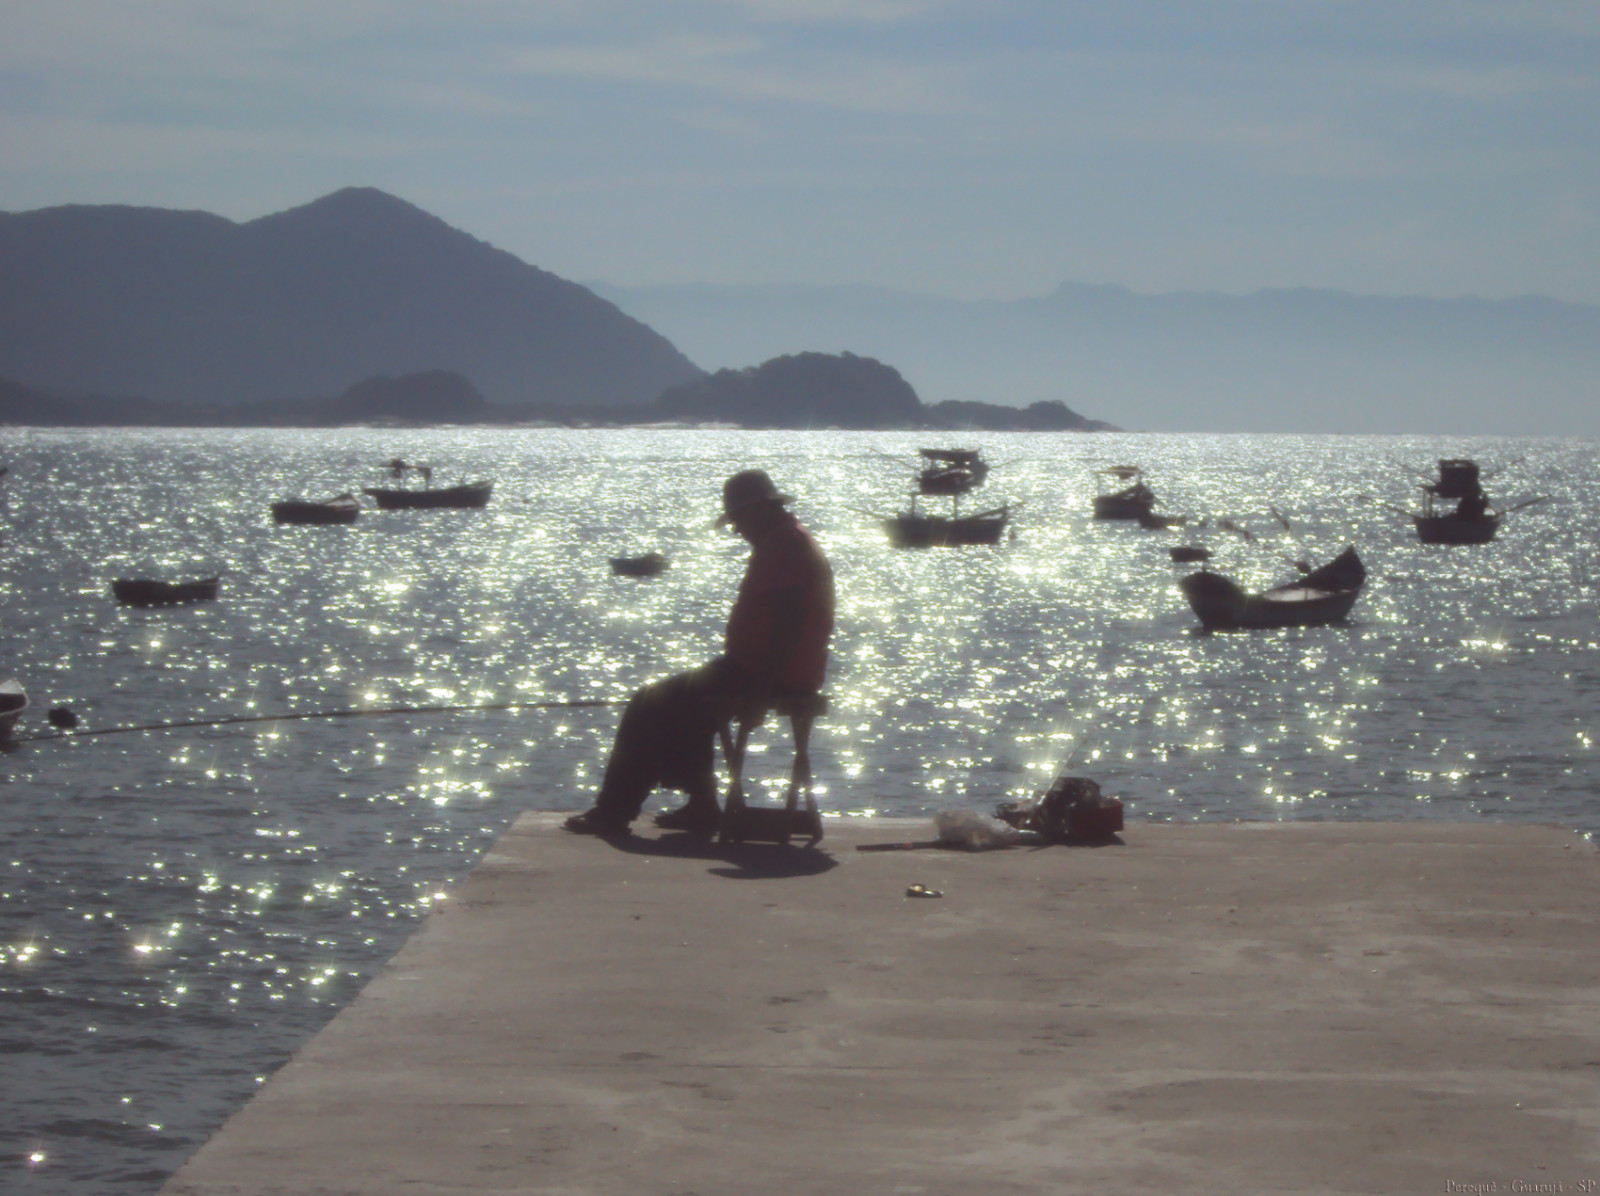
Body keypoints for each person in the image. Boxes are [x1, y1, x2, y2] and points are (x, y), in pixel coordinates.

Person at [564, 470, 835, 837]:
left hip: (768, 671)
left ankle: (615, 811)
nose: (737, 530)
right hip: (765, 667)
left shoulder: (783, 547)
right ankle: (700, 804)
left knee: (652, 702)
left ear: (758, 510)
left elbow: (788, 626)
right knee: (675, 702)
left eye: (738, 520)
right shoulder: (787, 539)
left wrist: (760, 689)